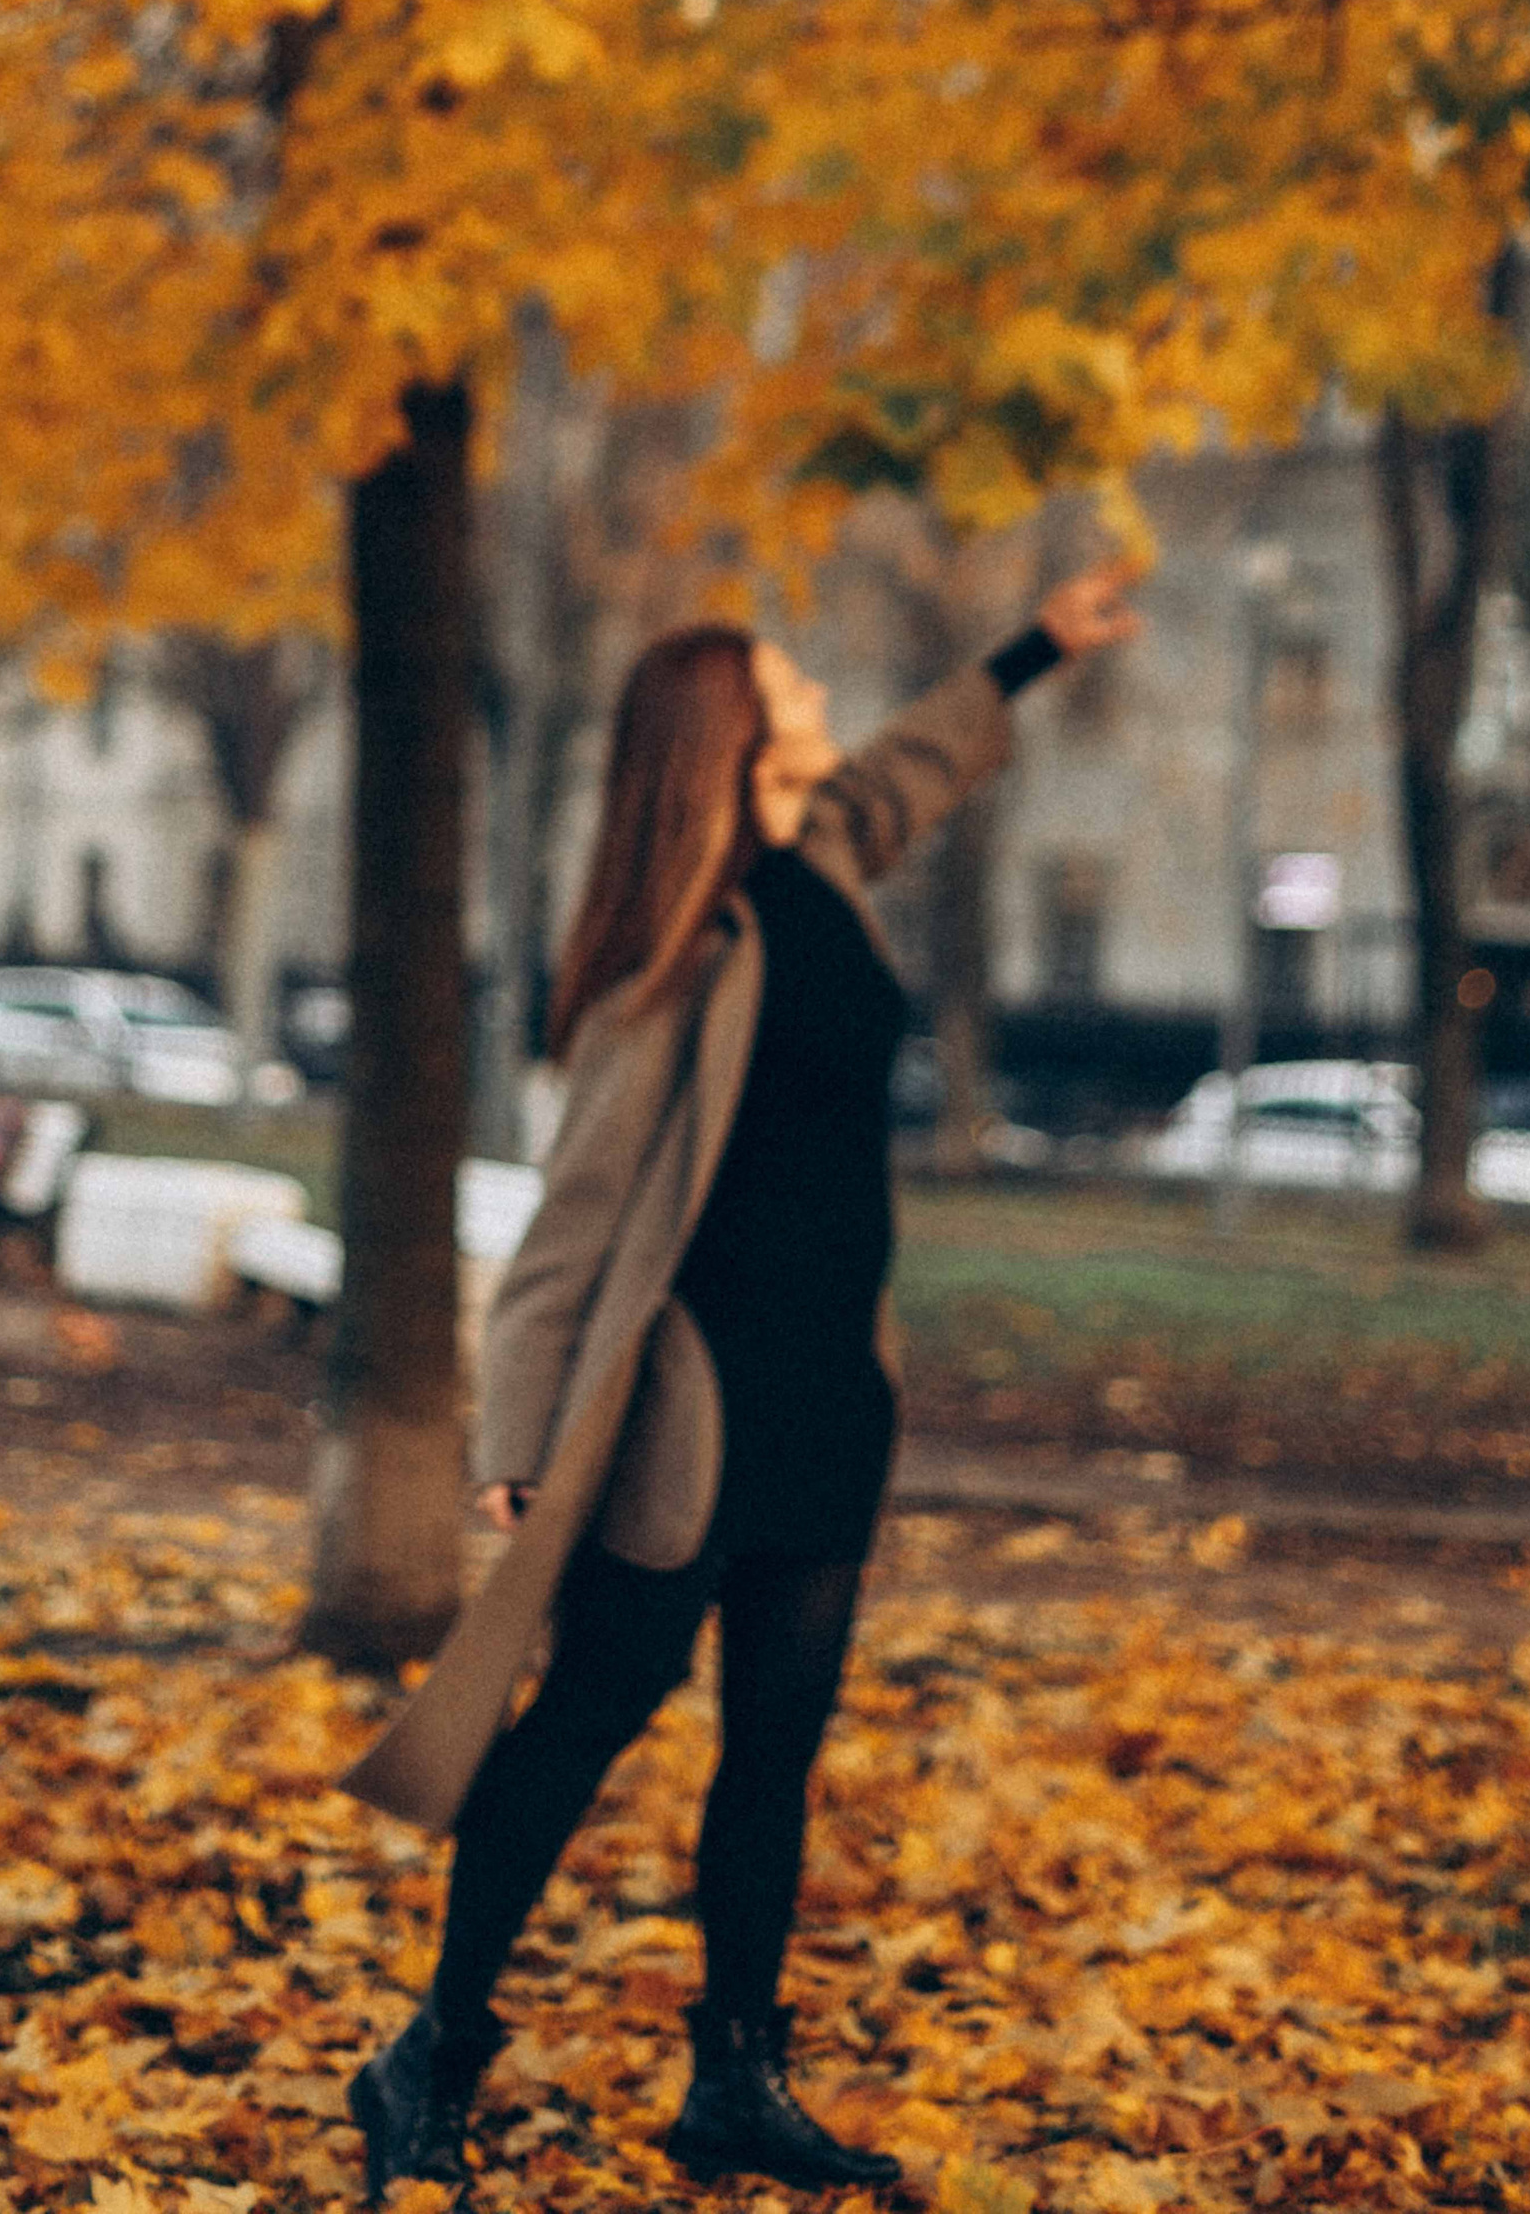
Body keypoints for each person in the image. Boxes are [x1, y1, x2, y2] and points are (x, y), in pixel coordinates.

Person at [342, 565, 1142, 2199]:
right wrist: (518, 1432)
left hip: (835, 1391)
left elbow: (914, 762)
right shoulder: (687, 955)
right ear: (726, 734)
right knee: (588, 1723)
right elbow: (569, 1224)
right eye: (789, 684)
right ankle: (430, 2054)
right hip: (693, 1411)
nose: (819, 696)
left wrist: (1036, 649)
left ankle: (735, 2084)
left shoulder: (826, 862)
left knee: (777, 1746)